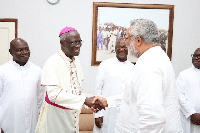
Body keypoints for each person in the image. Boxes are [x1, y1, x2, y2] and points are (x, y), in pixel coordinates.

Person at [92, 19, 182, 132]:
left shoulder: (149, 64)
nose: (127, 43)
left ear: (138, 40)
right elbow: (135, 96)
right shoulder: (157, 57)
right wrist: (108, 101)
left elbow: (153, 119)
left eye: (128, 38)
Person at [35, 26, 103, 133]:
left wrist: (89, 103)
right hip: (56, 118)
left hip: (72, 116)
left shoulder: (76, 61)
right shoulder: (52, 62)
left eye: (79, 41)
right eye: (73, 42)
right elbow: (54, 95)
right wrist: (85, 100)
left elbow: (76, 92)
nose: (78, 46)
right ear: (62, 43)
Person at [0, 38, 44, 133]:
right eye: (20, 50)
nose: (25, 52)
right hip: (9, 123)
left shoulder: (37, 71)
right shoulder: (3, 71)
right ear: (11, 52)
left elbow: (40, 98)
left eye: (27, 49)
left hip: (33, 122)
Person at [93, 37, 134, 133]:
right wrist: (97, 114)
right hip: (107, 112)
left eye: (124, 47)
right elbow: (97, 91)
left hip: (125, 116)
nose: (121, 49)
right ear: (115, 48)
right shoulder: (105, 65)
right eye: (119, 47)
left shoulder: (133, 68)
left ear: (128, 49)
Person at [177, 48, 200, 133]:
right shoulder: (184, 75)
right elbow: (179, 96)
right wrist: (192, 113)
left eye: (199, 56)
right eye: (194, 56)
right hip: (189, 117)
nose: (196, 58)